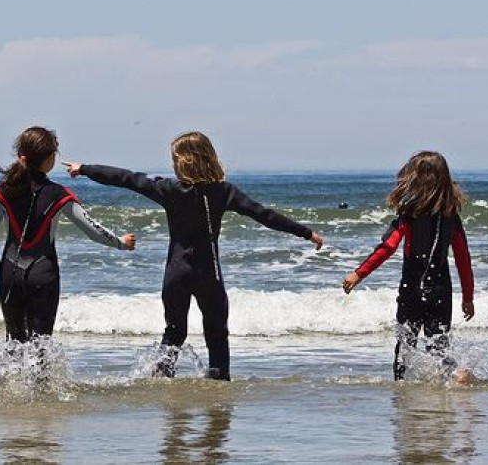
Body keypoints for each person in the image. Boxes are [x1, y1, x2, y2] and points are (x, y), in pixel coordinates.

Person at [65, 131, 323, 381]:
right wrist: (305, 232)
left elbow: (126, 178)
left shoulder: (168, 189)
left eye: (175, 160)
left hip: (176, 273)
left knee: (174, 334)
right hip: (208, 273)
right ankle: (219, 390)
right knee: (217, 334)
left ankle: (163, 389)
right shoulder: (224, 192)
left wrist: (85, 168)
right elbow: (263, 214)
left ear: (185, 162)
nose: (173, 166)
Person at [0, 126, 136, 343]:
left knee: (13, 343)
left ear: (22, 157)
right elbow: (93, 230)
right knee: (41, 346)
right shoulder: (60, 194)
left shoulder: (3, 191)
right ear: (48, 159)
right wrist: (120, 243)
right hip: (43, 273)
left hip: (10, 274)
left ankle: (9, 379)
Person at [342, 151, 474, 381]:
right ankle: (454, 380)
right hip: (442, 290)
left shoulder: (409, 214)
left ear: (415, 179)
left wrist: (358, 274)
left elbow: (387, 247)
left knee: (405, 346)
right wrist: (468, 297)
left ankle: (402, 393)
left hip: (412, 289)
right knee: (439, 347)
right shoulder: (451, 216)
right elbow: (463, 258)